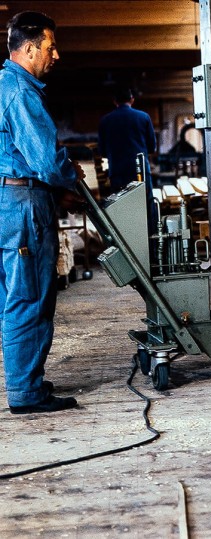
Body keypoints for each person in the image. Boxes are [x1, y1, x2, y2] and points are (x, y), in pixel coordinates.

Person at [0, 11, 85, 413]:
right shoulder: (20, 91)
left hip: (7, 200)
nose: (56, 55)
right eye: (50, 47)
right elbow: (47, 161)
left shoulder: (3, 84)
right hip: (21, 204)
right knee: (29, 298)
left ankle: (24, 380)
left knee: (13, 296)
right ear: (30, 48)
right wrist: (71, 175)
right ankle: (26, 393)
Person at [98, 87, 157, 194]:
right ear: (132, 99)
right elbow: (152, 147)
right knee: (145, 205)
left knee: (122, 207)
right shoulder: (144, 117)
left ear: (114, 101)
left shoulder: (105, 120)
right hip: (140, 171)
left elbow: (102, 152)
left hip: (117, 172)